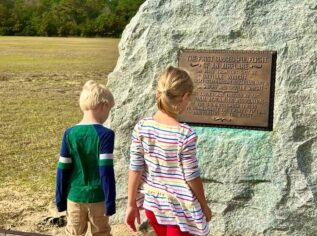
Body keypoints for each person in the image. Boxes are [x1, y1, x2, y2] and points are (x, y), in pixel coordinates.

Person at [125, 66, 211, 236]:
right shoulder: (184, 135)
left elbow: (135, 167)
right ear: (185, 97)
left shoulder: (142, 127)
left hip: (153, 205)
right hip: (179, 211)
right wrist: (203, 204)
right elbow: (191, 176)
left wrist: (130, 203)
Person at [55, 80, 116, 236]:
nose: (108, 114)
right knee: (102, 233)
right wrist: (110, 201)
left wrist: (60, 199)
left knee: (73, 233)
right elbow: (106, 171)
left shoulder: (69, 133)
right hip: (98, 198)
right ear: (104, 105)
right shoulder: (106, 135)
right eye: (109, 109)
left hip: (74, 197)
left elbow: (62, 169)